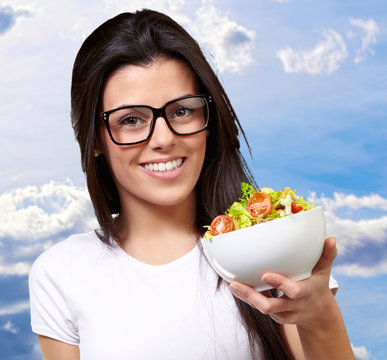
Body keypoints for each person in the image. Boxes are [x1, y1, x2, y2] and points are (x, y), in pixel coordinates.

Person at [28, 9, 355, 360]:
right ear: (94, 139)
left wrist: (321, 317)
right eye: (132, 119)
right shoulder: (62, 272)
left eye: (182, 111)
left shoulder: (272, 241)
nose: (164, 139)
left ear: (209, 120)